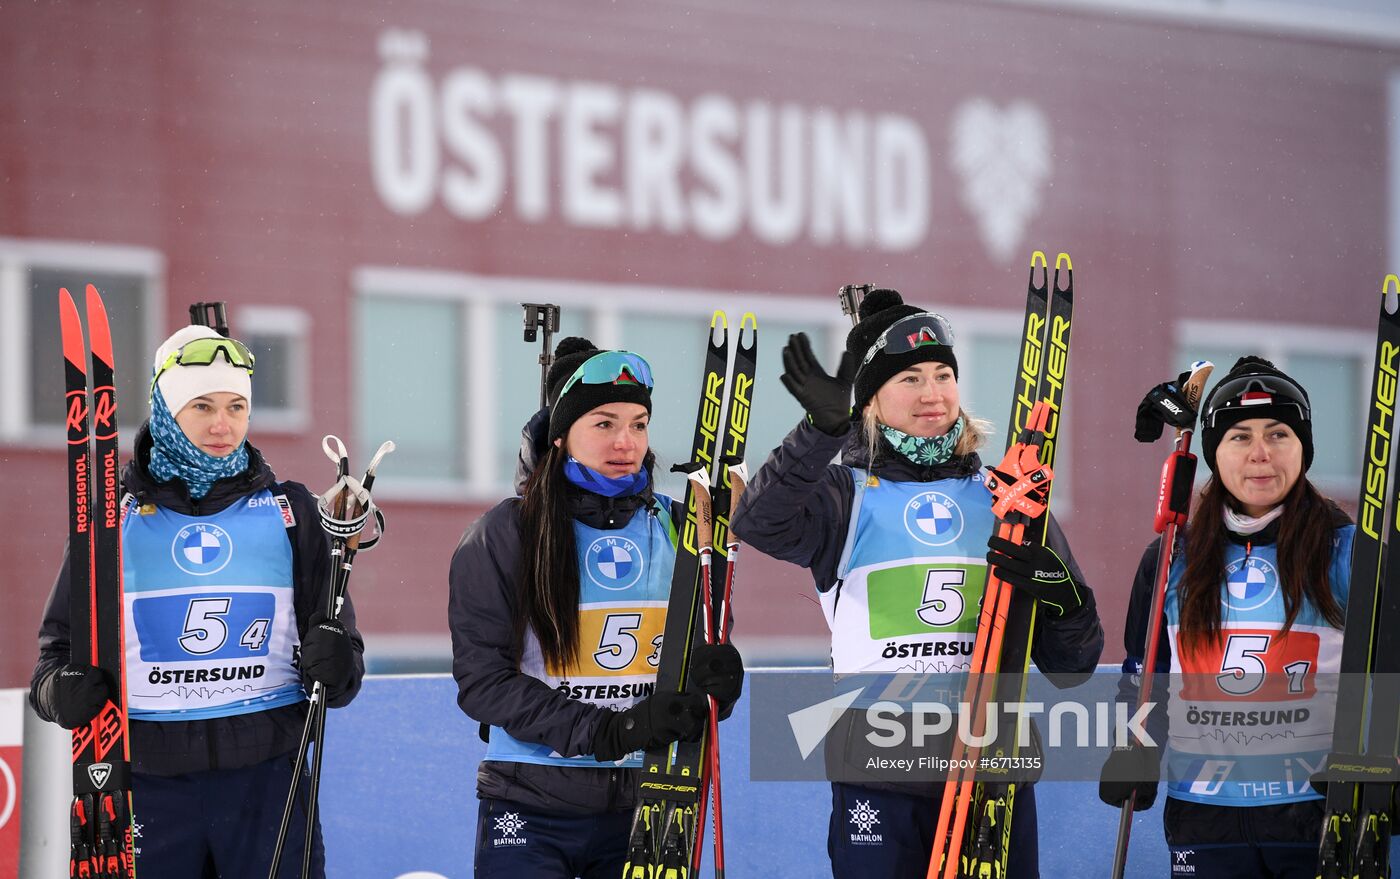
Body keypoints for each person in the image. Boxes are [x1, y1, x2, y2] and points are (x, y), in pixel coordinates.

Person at [730, 289, 1103, 878]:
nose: (933, 393)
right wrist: (820, 431)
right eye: (909, 378)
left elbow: (1073, 664)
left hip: (993, 772)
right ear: (872, 399)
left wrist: (1065, 599)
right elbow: (756, 521)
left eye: (943, 374)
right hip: (881, 773)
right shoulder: (843, 495)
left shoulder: (1007, 495)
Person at [29, 324, 364, 877]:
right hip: (148, 783)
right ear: (166, 410)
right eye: (202, 405)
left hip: (267, 779)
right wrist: (59, 691)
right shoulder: (113, 519)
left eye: (236, 406)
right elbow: (56, 650)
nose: (221, 424)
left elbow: (342, 656)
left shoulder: (290, 512)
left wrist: (338, 662)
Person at [449, 337, 744, 879]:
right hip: (531, 801)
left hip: (650, 798)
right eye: (603, 424)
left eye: (638, 424)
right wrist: (611, 730)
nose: (625, 441)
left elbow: (697, 661)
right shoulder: (506, 532)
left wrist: (719, 684)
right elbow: (483, 681)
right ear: (560, 436)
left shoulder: (684, 528)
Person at [1099, 356, 1351, 878]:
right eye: (1240, 437)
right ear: (1215, 453)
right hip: (1204, 817)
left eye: (1279, 434)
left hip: (1318, 814)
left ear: (1303, 447)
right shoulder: (1174, 555)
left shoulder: (1347, 552)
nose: (1261, 454)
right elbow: (1145, 674)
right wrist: (1136, 747)